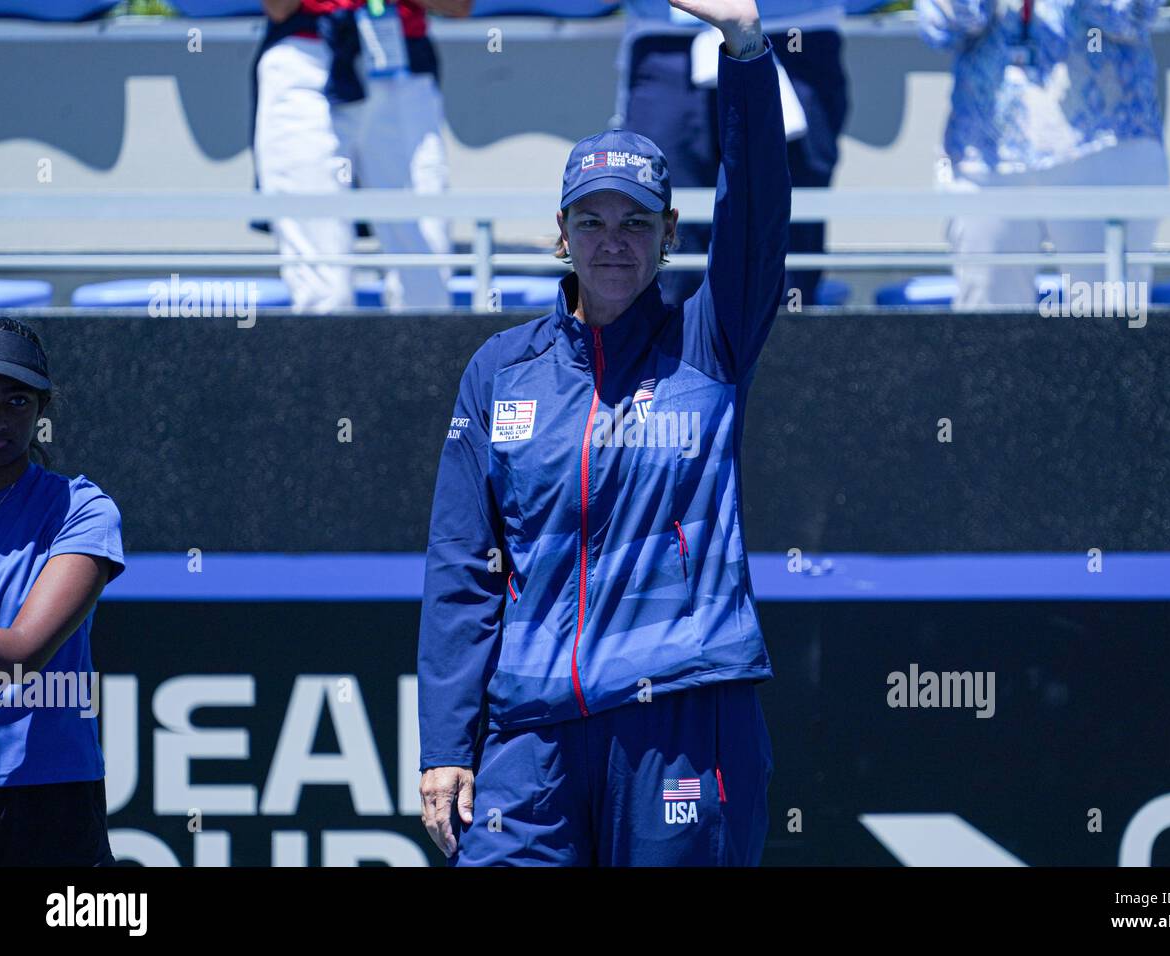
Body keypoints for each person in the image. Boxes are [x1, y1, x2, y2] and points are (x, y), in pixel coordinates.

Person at [417, 0, 788, 866]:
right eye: (591, 220)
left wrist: (744, 51)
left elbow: (759, 213)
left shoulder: (710, 341)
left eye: (634, 223)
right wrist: (445, 741)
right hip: (532, 734)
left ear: (668, 235)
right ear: (560, 236)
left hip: (683, 719)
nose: (612, 242)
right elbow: (461, 570)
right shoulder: (500, 371)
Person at [916, 0, 1170, 309]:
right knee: (988, 339)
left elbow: (1131, 15)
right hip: (985, 153)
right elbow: (942, 27)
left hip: (1105, 140)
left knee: (1108, 329)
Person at [0, 318, 126, 867]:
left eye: (18, 400)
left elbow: (23, 656)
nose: (0, 418)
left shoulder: (82, 509)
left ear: (41, 410)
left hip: (49, 801)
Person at [617, 0, 848, 308]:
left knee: (787, 234)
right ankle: (670, 350)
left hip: (793, 35)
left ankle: (787, 346)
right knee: (666, 222)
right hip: (667, 43)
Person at [256, 0, 469, 312]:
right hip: (305, 61)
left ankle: (423, 360)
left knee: (426, 277)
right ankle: (323, 359)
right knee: (323, 283)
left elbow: (459, 5)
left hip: (400, 62)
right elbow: (278, 7)